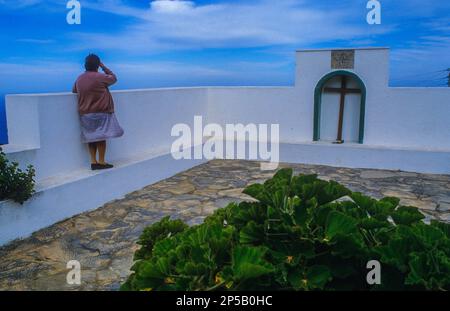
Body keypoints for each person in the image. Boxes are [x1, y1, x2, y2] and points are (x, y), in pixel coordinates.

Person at [72, 54, 124, 170]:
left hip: (85, 113)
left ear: (85, 65)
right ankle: (101, 162)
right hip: (101, 112)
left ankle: (93, 161)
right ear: (97, 65)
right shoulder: (100, 77)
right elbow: (114, 78)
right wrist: (103, 66)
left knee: (91, 137)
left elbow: (74, 90)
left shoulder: (79, 78)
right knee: (101, 136)